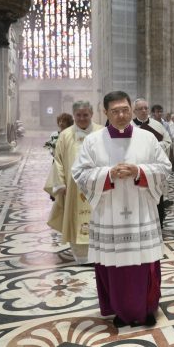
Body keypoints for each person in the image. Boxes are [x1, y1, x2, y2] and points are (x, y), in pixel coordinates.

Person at [72, 91, 172, 328]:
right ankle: (121, 311)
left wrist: (139, 172)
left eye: (125, 110)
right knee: (115, 266)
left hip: (141, 213)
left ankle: (147, 308)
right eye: (115, 111)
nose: (121, 115)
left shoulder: (147, 139)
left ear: (131, 109)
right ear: (105, 112)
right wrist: (108, 174)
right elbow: (80, 173)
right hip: (110, 215)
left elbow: (164, 167)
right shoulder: (93, 141)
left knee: (144, 264)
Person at [45, 102, 102, 264]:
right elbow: (58, 161)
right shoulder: (65, 135)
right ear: (74, 115)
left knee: (98, 220)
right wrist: (60, 184)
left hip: (97, 186)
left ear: (91, 114)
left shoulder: (101, 132)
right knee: (75, 219)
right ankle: (82, 257)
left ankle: (98, 254)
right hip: (73, 188)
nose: (82, 118)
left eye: (86, 115)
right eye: (78, 115)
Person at [133, 98, 173, 227]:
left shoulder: (157, 125)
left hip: (155, 168)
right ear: (134, 111)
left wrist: (154, 147)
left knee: (157, 194)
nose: (144, 111)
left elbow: (168, 141)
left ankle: (159, 223)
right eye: (140, 109)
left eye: (146, 108)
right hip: (138, 169)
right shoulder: (130, 127)